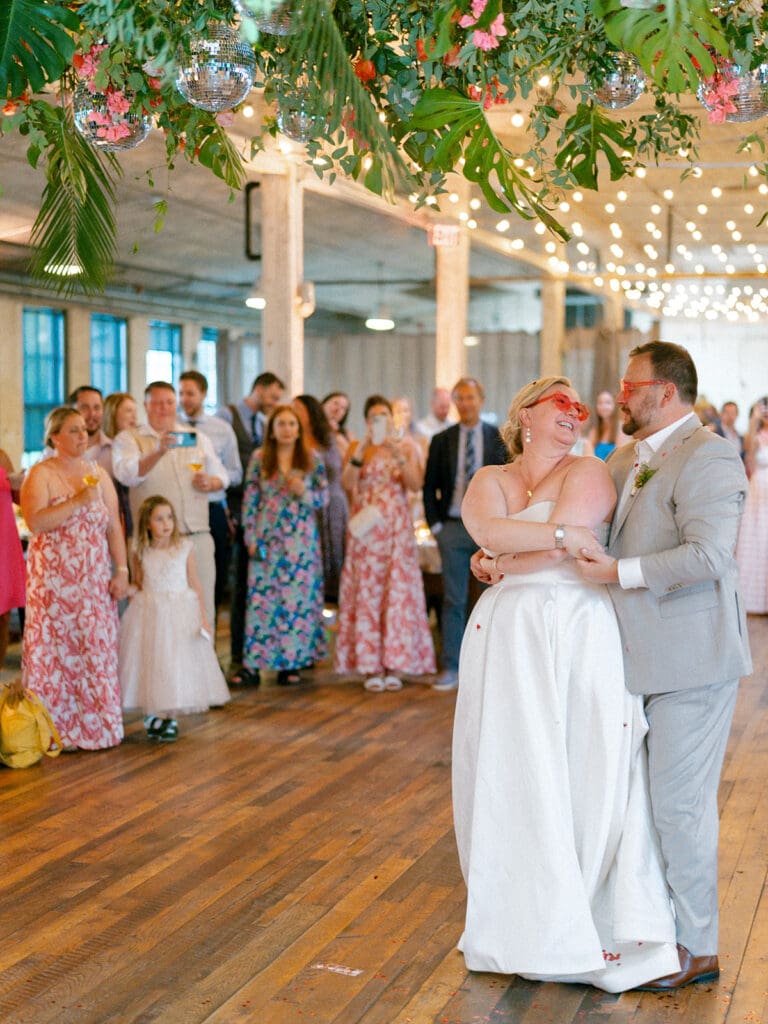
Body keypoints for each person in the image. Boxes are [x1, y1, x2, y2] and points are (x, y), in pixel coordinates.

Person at [456, 376, 680, 991]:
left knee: (580, 757)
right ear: (525, 412)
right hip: (505, 633)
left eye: (579, 408)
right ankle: (516, 906)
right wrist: (545, 537)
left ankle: (578, 904)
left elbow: (556, 554)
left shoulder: (589, 471)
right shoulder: (488, 480)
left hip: (574, 626)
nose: (574, 415)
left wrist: (505, 560)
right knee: (510, 761)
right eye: (562, 403)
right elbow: (491, 532)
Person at [575, 341, 751, 991]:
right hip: (622, 658)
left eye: (631, 386)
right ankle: (644, 927)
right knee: (630, 803)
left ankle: (699, 946)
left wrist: (619, 573)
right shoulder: (622, 458)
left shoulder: (710, 454)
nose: (621, 396)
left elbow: (710, 557)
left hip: (692, 658)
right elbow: (590, 533)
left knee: (679, 806)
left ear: (666, 392)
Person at [20, 406, 129, 750]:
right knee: (54, 656)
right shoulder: (41, 473)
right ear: (55, 437)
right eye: (74, 430)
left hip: (93, 583)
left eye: (84, 430)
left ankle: (96, 729)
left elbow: (114, 526)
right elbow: (35, 522)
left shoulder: (98, 473)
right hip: (53, 587)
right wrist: (80, 500)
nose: (83, 435)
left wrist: (122, 570)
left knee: (92, 653)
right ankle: (53, 731)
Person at [334, 395, 436, 692]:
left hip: (394, 530)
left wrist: (397, 453)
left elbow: (416, 484)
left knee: (396, 591)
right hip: (365, 531)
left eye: (384, 416)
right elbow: (346, 484)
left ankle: (396, 662)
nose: (379, 422)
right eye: (373, 417)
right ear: (366, 421)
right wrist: (363, 448)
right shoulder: (357, 447)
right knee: (367, 591)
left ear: (392, 420)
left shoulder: (405, 446)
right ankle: (369, 665)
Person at [112, 381, 229, 630]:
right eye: (156, 403)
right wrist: (157, 451)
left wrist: (211, 482)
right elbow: (127, 474)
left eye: (169, 402)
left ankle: (202, 667)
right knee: (158, 617)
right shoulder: (129, 439)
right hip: (153, 544)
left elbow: (223, 476)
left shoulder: (195, 437)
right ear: (146, 406)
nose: (163, 408)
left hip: (196, 536)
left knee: (202, 609)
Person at [119, 495, 230, 742]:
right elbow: (139, 582)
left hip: (180, 612)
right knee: (152, 662)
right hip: (150, 612)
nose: (166, 523)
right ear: (148, 523)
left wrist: (202, 617)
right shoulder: (141, 551)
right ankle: (155, 712)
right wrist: (129, 589)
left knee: (175, 662)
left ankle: (169, 715)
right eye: (159, 519)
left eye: (169, 517)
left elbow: (196, 584)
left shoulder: (184, 548)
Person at [423, 377, 506, 691]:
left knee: (489, 599)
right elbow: (429, 487)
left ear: (481, 400)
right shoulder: (441, 440)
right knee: (453, 599)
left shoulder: (497, 438)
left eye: (471, 397)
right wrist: (437, 527)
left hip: (488, 528)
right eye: (460, 398)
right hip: (453, 527)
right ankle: (452, 665)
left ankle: (484, 667)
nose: (466, 403)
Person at [242, 405, 328, 686]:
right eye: (281, 424)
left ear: (299, 429)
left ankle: (292, 663)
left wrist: (304, 493)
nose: (287, 429)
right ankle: (256, 663)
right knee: (262, 601)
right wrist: (251, 537)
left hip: (299, 542)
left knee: (296, 602)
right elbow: (250, 499)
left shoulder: (311, 459)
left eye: (292, 424)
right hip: (268, 537)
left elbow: (323, 499)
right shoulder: (259, 458)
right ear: (272, 429)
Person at [217, 371, 285, 686]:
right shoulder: (226, 416)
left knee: (250, 587)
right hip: (234, 509)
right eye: (272, 396)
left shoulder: (260, 423)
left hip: (253, 515)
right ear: (258, 389)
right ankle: (237, 661)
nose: (274, 404)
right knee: (239, 589)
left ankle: (254, 660)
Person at [178, 370, 242, 616]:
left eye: (191, 393)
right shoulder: (172, 428)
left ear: (203, 394)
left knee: (213, 574)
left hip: (212, 508)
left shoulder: (221, 429)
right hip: (181, 508)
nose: (185, 399)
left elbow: (236, 473)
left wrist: (215, 482)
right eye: (181, 393)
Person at [293, 394, 348, 605]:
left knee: (335, 555)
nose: (294, 413)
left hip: (332, 501)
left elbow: (337, 469)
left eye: (298, 409)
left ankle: (332, 605)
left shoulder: (328, 437)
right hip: (307, 504)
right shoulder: (293, 440)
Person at [735, 396, 768, 613]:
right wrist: (755, 420)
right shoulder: (756, 436)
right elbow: (749, 457)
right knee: (757, 539)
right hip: (759, 487)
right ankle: (754, 601)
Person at [0, 448, 25, 670]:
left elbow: (19, 499)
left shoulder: (1, 455)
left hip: (3, 542)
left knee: (2, 613)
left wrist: (21, 486)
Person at [102, 391, 138, 539]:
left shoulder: (138, 445)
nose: (134, 416)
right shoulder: (103, 448)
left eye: (135, 411)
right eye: (128, 410)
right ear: (112, 413)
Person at [68, 385, 111, 470]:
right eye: (85, 408)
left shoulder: (115, 450)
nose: (92, 414)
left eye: (97, 408)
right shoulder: (56, 450)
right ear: (71, 411)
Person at [587, 388, 628, 460]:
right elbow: (588, 457)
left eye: (607, 403)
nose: (603, 406)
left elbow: (621, 460)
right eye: (600, 403)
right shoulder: (594, 432)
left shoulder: (621, 429)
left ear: (614, 406)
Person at [321, 391, 355, 460]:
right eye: (335, 403)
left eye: (343, 408)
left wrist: (337, 435)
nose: (338, 409)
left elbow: (353, 459)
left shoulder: (348, 435)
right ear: (324, 404)